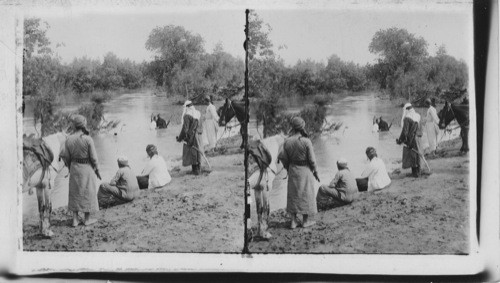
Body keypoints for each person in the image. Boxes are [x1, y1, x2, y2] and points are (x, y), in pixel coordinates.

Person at [278, 117, 319, 229]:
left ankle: (293, 221)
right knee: (306, 194)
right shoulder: (306, 141)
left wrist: (288, 167)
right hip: (305, 170)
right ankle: (305, 221)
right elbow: (312, 160)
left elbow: (282, 157)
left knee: (293, 194)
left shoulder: (287, 141)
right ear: (302, 127)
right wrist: (316, 171)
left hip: (293, 170)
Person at [60, 114, 100, 227]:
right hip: (87, 168)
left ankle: (75, 220)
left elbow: (66, 157)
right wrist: (97, 169)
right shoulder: (88, 139)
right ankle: (87, 219)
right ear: (83, 125)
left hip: (74, 167)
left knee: (75, 192)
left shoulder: (68, 139)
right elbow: (94, 158)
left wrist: (69, 167)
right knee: (88, 191)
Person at [177, 100, 203, 175]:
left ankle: (195, 170)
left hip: (192, 137)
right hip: (199, 135)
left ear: (187, 107)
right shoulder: (198, 113)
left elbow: (185, 129)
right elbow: (201, 125)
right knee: (198, 151)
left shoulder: (187, 115)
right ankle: (199, 168)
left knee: (192, 152)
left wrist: (180, 138)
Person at [397, 103, 421, 177]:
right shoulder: (418, 115)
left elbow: (405, 132)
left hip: (411, 140)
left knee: (412, 155)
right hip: (417, 138)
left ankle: (415, 173)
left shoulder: (407, 118)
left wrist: (400, 140)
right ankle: (418, 172)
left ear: (406, 110)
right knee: (417, 155)